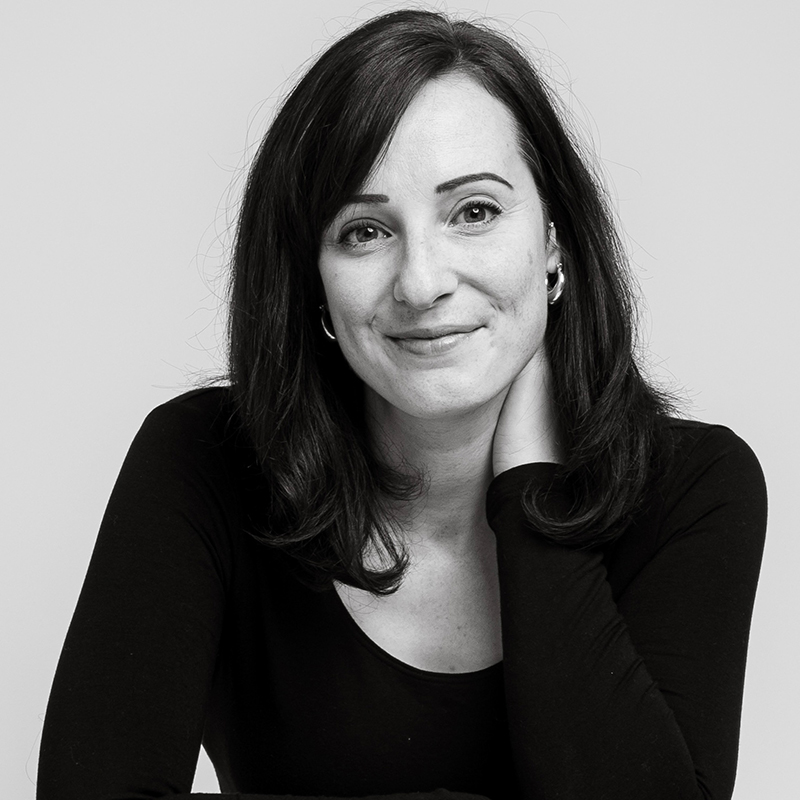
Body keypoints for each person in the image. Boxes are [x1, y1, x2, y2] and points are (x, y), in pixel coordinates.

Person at [36, 9, 767, 800]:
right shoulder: (206, 461)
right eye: (364, 231)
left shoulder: (693, 488)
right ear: (313, 279)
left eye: (475, 212)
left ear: (554, 241)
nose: (422, 282)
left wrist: (530, 494)